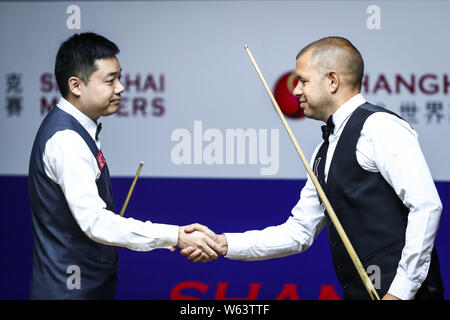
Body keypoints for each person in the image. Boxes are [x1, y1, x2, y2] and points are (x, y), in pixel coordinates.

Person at [181, 37, 445, 300]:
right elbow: (299, 232)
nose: (295, 91)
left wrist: (399, 293)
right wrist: (223, 242)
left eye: (303, 81)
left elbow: (426, 206)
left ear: (332, 80)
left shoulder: (380, 128)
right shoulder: (322, 151)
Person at [28, 32, 221, 299]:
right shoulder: (66, 140)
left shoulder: (77, 129)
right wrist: (176, 236)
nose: (121, 88)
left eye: (120, 77)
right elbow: (94, 222)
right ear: (76, 85)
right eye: (110, 80)